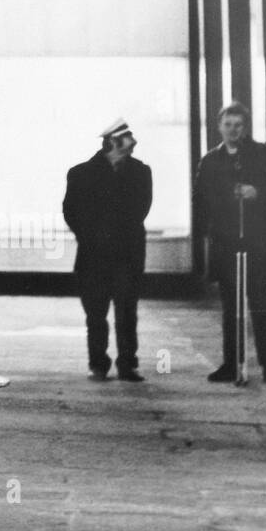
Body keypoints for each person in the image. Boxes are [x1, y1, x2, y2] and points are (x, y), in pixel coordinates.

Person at [63, 119, 153, 382]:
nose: (133, 141)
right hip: (95, 255)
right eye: (128, 137)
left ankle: (127, 364)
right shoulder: (80, 173)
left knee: (126, 311)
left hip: (126, 255)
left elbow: (141, 209)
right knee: (95, 313)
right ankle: (98, 364)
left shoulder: (141, 171)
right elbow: (71, 212)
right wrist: (93, 237)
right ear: (112, 141)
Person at [193, 102, 266, 384]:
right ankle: (231, 363)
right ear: (219, 127)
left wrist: (258, 193)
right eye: (228, 125)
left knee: (262, 304)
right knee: (230, 308)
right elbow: (200, 200)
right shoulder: (211, 160)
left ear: (245, 127)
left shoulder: (262, 155)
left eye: (238, 125)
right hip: (226, 244)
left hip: (258, 244)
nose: (232, 130)